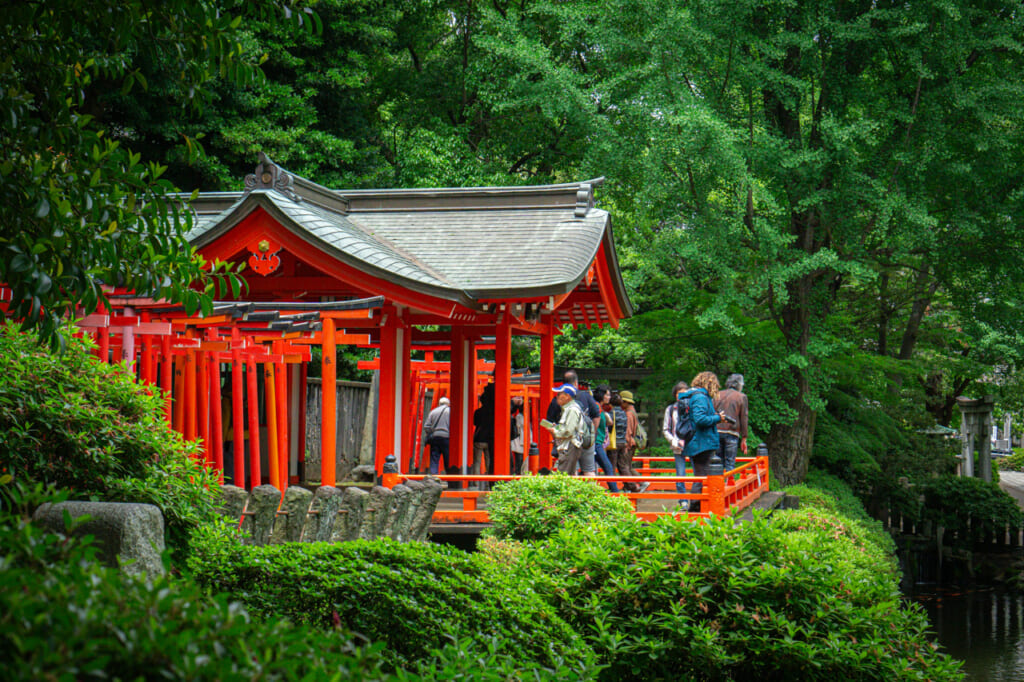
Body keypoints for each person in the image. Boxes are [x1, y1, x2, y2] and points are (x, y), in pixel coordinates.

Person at [680, 372, 729, 513]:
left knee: (701, 475)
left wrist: (715, 417)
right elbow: (700, 419)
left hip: (700, 442)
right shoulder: (700, 398)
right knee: (702, 477)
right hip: (701, 443)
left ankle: (699, 506)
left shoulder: (697, 397)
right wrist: (717, 419)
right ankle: (695, 508)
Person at [563, 370, 600, 478]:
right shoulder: (586, 396)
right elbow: (596, 417)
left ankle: (572, 494)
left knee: (571, 471)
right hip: (585, 437)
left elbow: (550, 422)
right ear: (576, 383)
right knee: (589, 470)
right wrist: (591, 433)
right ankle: (591, 494)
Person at [543, 384, 587, 474]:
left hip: (569, 446)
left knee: (564, 475)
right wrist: (557, 428)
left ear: (567, 396)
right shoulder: (569, 409)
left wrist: (555, 431)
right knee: (568, 474)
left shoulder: (572, 410)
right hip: (569, 446)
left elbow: (568, 431)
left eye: (559, 394)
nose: (557, 397)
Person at [662, 381, 690, 509]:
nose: (682, 396)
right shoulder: (670, 409)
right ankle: (683, 500)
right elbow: (665, 429)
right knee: (681, 473)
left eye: (685, 393)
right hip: (677, 444)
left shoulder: (693, 408)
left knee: (698, 472)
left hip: (692, 444)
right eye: (680, 394)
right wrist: (674, 441)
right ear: (675, 395)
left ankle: (697, 498)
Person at [715, 373, 749, 480]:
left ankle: (718, 488)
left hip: (717, 431)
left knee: (717, 462)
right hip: (732, 432)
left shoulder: (717, 395)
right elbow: (744, 417)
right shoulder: (741, 397)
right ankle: (729, 487)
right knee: (730, 463)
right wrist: (744, 437)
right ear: (739, 385)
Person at [618, 390, 650, 493]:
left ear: (626, 402)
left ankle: (634, 485)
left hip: (629, 444)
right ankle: (635, 484)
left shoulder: (628, 414)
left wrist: (625, 446)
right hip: (633, 443)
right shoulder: (633, 412)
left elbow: (628, 432)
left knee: (623, 465)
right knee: (628, 466)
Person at [592, 386, 620, 493]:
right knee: (607, 466)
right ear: (601, 395)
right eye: (607, 395)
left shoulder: (600, 407)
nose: (609, 397)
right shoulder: (596, 407)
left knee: (590, 468)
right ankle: (615, 491)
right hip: (596, 442)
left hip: (597, 442)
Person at [472, 384, 495, 489]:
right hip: (489, 438)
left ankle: (475, 481)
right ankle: (488, 481)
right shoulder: (492, 412)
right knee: (489, 460)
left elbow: (475, 423)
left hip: (478, 438)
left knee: (477, 461)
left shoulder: (478, 412)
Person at [422, 397, 450, 476]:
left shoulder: (433, 412)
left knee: (434, 458)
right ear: (448, 404)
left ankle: (434, 476)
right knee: (447, 458)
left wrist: (432, 431)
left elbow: (426, 426)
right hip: (447, 438)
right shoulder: (450, 411)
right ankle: (450, 477)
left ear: (439, 403)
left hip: (435, 437)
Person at [510, 395, 526, 475]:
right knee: (519, 460)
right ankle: (518, 473)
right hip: (519, 440)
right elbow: (518, 428)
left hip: (522, 439)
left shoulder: (520, 417)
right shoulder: (519, 417)